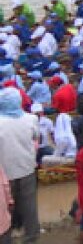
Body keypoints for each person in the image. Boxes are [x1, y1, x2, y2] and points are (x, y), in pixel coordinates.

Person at [0, 88, 38, 244]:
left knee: (5, 210)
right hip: (26, 168)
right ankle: (31, 237)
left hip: (5, 174)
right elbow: (35, 138)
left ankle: (7, 238)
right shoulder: (31, 119)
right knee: (29, 207)